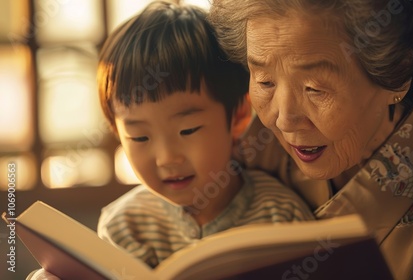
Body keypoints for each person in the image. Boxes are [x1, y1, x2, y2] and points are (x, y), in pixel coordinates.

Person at [208, 0, 413, 279]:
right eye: (265, 81)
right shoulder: (243, 140)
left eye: (314, 88)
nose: (283, 119)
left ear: (396, 73)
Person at [27, 2, 315, 279]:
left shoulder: (281, 215)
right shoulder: (124, 226)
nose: (167, 158)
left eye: (188, 130)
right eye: (139, 136)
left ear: (239, 115)